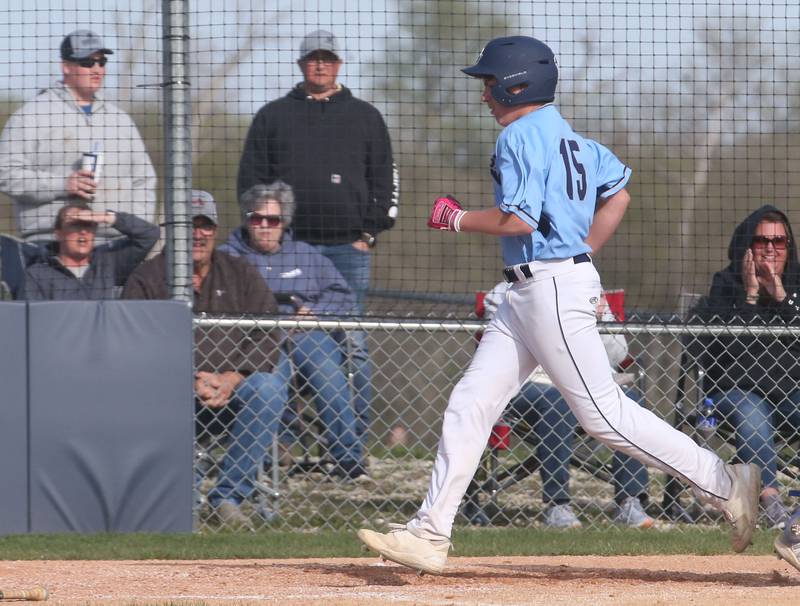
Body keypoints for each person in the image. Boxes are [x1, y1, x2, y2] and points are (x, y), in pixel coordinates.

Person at [357, 35, 760, 575]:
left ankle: (725, 482)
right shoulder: (574, 140)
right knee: (472, 400)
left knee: (604, 418)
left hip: (549, 289)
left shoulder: (520, 136)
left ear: (516, 83)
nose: (484, 95)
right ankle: (431, 532)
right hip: (531, 291)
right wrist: (585, 249)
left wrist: (456, 218)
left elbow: (518, 221)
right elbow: (619, 193)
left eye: (489, 83)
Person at [237, 29, 399, 450]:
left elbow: (385, 178)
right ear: (301, 64)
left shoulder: (366, 116)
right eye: (313, 58)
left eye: (328, 58)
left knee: (353, 344)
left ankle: (352, 442)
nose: (320, 65)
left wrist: (369, 232)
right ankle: (286, 440)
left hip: (348, 248)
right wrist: (268, 236)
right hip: (288, 248)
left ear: (339, 64)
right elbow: (250, 182)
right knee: (276, 340)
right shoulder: (272, 116)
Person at [122, 190, 289, 530]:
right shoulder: (146, 278)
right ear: (171, 231)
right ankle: (183, 497)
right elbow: (134, 346)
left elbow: (269, 331)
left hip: (234, 387)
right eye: (188, 227)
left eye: (205, 226)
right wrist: (186, 379)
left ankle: (226, 497)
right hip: (170, 392)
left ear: (215, 230)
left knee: (269, 388)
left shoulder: (240, 272)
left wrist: (232, 378)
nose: (197, 235)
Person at [463, 286, 653, 529]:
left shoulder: (587, 287)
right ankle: (557, 505)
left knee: (630, 400)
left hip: (590, 385)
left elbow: (618, 355)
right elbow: (501, 349)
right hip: (531, 384)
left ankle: (630, 502)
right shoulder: (503, 294)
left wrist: (598, 320)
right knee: (559, 400)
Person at [218, 182, 368, 480]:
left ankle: (347, 459)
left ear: (283, 222)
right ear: (246, 219)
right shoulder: (227, 256)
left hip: (303, 332)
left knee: (327, 371)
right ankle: (266, 455)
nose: (263, 226)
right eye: (255, 218)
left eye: (272, 220)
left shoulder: (306, 255)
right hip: (255, 339)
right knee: (271, 378)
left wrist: (314, 313)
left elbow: (342, 293)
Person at [690, 205, 800, 532]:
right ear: (746, 246)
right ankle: (771, 502)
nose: (770, 248)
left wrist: (780, 295)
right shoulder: (726, 286)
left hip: (787, 394)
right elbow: (727, 352)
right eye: (762, 240)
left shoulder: (796, 284)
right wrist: (751, 297)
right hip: (732, 394)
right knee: (753, 413)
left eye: (779, 242)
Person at [0, 29, 157, 244]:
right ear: (66, 66)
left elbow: (144, 179)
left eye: (101, 62)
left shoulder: (120, 120)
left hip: (117, 246)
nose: (96, 69)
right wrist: (63, 185)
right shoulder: (31, 115)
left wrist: (135, 224)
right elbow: (6, 174)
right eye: (87, 62)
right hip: (51, 243)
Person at [23, 203, 158, 300]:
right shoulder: (37, 274)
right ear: (58, 234)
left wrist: (106, 217)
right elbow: (32, 321)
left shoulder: (108, 262)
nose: (83, 231)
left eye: (89, 225)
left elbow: (149, 234)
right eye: (75, 225)